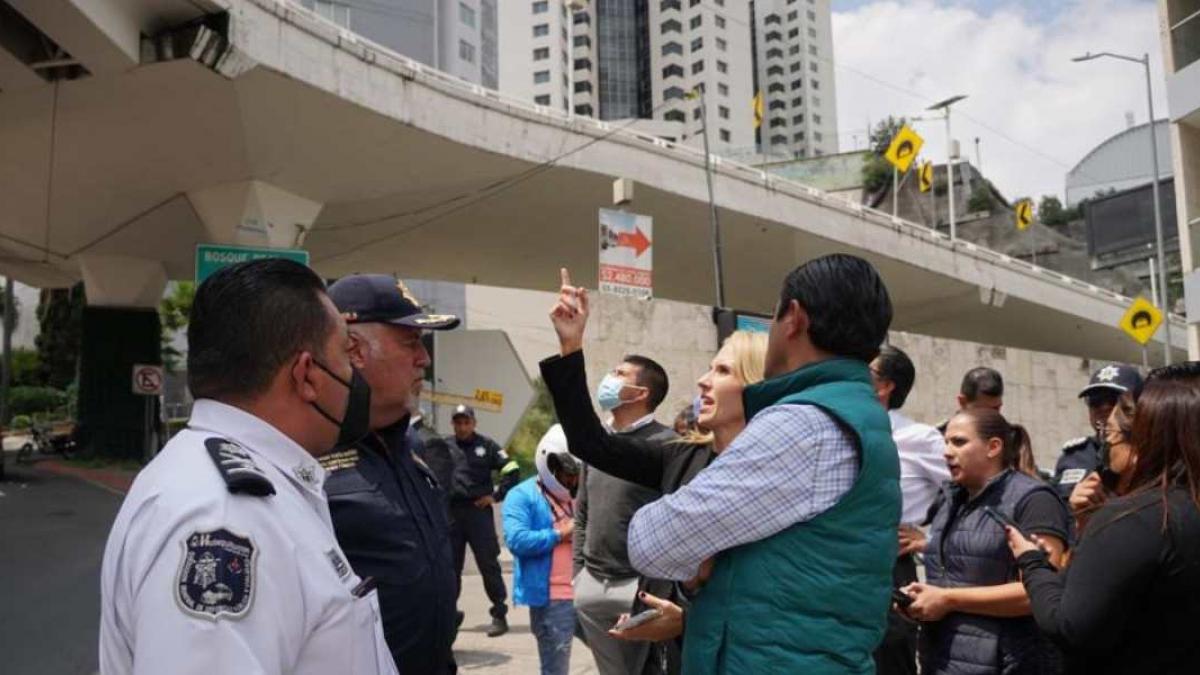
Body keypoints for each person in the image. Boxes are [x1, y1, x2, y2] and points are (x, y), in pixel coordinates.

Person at [603, 254, 900, 673]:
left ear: (793, 318)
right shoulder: (856, 413)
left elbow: (653, 541)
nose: (706, 380)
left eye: (722, 369)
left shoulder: (803, 423)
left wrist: (697, 552)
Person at [99, 259, 397, 675]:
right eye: (347, 353)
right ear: (307, 375)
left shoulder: (252, 486)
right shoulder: (224, 517)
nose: (355, 374)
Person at [542, 281, 766, 674]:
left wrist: (690, 618)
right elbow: (590, 442)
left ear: (755, 387)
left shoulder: (779, 472)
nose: (702, 380)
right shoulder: (680, 457)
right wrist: (571, 346)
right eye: (710, 367)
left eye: (723, 370)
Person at [1007, 362, 1200, 673]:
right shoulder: (1176, 506)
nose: (1105, 439)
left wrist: (1032, 562)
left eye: (1111, 431)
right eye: (1096, 405)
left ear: (1144, 438)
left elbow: (1069, 626)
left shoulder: (1135, 519)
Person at [324, 274, 461, 674]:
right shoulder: (308, 454)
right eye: (410, 342)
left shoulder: (411, 448)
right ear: (354, 350)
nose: (424, 358)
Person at [900, 407, 1071, 674]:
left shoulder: (1034, 500)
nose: (946, 451)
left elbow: (1040, 592)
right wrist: (921, 602)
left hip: (1009, 662)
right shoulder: (950, 498)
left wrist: (948, 599)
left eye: (958, 442)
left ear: (993, 447)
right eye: (945, 442)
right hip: (942, 660)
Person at [573, 354, 675, 675]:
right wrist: (579, 573)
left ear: (640, 392)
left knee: (647, 669)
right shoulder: (599, 445)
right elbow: (583, 512)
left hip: (639, 587)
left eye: (619, 373)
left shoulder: (668, 445)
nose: (608, 379)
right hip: (592, 584)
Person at [868, 345, 950, 675]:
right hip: (840, 563)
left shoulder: (919, 438)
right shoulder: (842, 427)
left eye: (866, 370)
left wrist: (929, 538)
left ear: (886, 386)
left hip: (889, 565)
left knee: (890, 657)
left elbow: (967, 490)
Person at [502, 425, 582, 675]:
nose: (572, 481)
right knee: (555, 669)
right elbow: (517, 540)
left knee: (619, 657)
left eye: (575, 475)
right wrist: (560, 534)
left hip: (587, 590)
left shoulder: (581, 492)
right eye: (567, 476)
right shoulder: (521, 495)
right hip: (553, 598)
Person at [447, 403, 520, 636]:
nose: (462, 426)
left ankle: (499, 614)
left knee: (488, 564)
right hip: (451, 514)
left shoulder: (486, 446)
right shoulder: (444, 446)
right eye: (458, 422)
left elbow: (511, 468)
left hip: (478, 512)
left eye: (466, 422)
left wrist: (496, 496)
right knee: (450, 567)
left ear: (474, 423)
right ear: (453, 424)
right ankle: (449, 615)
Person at [1052, 364, 1143, 499]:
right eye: (1095, 402)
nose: (1103, 409)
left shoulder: (1150, 455)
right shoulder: (1074, 457)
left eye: (1113, 401)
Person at [936, 367, 1005, 434]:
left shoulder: (1011, 437)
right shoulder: (938, 438)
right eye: (983, 411)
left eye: (996, 409)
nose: (990, 417)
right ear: (962, 402)